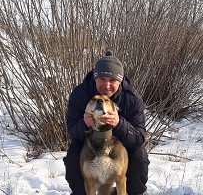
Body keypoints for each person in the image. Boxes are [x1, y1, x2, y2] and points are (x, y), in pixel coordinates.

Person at [63, 50, 149, 195]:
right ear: (95, 78)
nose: (107, 85)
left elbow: (139, 138)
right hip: (88, 144)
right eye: (102, 79)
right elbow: (72, 133)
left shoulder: (132, 98)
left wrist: (119, 124)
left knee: (139, 156)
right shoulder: (80, 94)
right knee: (72, 156)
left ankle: (133, 192)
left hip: (120, 145)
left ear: (120, 81)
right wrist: (83, 124)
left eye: (113, 80)